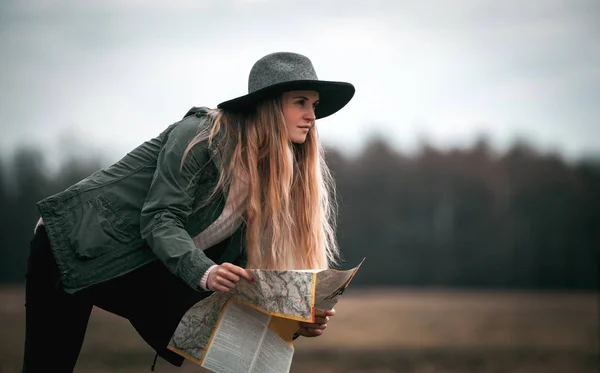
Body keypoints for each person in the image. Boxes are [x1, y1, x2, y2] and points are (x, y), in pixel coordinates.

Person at [21, 51, 355, 372]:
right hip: (69, 244)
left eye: (313, 105)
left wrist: (295, 321)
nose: (312, 115)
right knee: (49, 365)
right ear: (268, 106)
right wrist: (207, 273)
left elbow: (248, 276)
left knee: (218, 308)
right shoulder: (199, 137)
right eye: (300, 103)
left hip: (144, 261)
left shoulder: (270, 177)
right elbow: (159, 219)